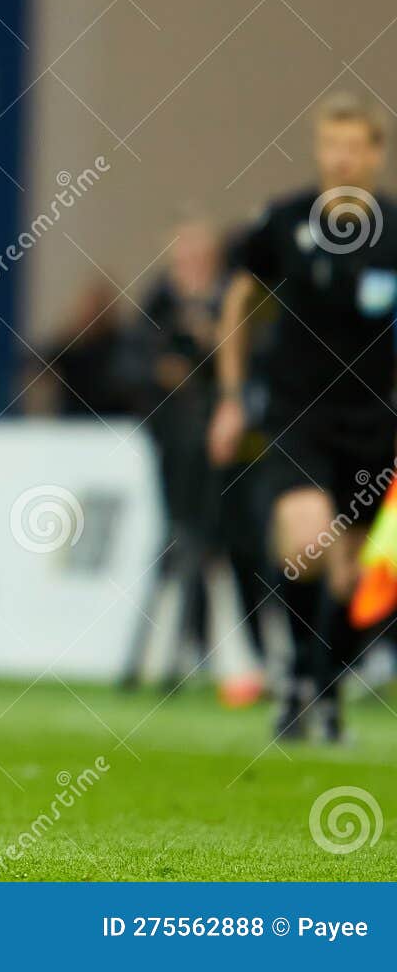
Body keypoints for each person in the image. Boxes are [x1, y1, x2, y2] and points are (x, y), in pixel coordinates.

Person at [208, 93, 397, 742]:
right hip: (297, 411)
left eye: (354, 146)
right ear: (319, 150)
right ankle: (293, 674)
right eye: (330, 145)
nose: (341, 158)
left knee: (349, 570)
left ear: (376, 153)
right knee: (306, 540)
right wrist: (233, 396)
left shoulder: (395, 230)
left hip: (375, 421)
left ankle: (324, 687)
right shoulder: (284, 221)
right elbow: (239, 298)